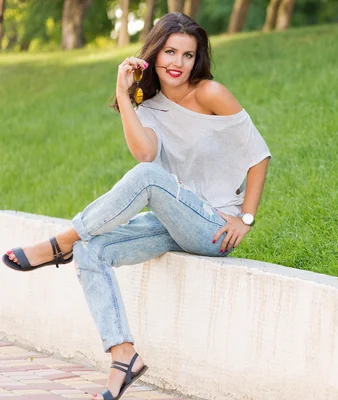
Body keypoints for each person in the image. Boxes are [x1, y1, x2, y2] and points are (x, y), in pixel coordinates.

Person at [2, 12, 271, 400]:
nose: (178, 63)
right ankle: (123, 356)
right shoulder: (149, 104)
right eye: (170, 52)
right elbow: (145, 151)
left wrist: (245, 217)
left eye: (188, 55)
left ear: (198, 60)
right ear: (153, 55)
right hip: (174, 220)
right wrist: (125, 94)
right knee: (90, 250)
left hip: (213, 226)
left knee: (146, 178)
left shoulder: (210, 93)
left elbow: (258, 154)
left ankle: (59, 241)